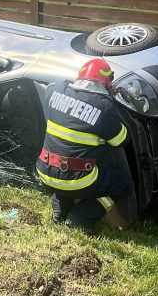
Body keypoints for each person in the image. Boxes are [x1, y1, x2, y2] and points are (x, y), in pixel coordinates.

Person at [35, 58, 137, 230]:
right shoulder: (104, 106)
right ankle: (80, 218)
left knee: (65, 162)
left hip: (44, 171)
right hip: (78, 180)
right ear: (106, 83)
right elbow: (121, 140)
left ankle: (59, 211)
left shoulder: (55, 89)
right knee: (121, 185)